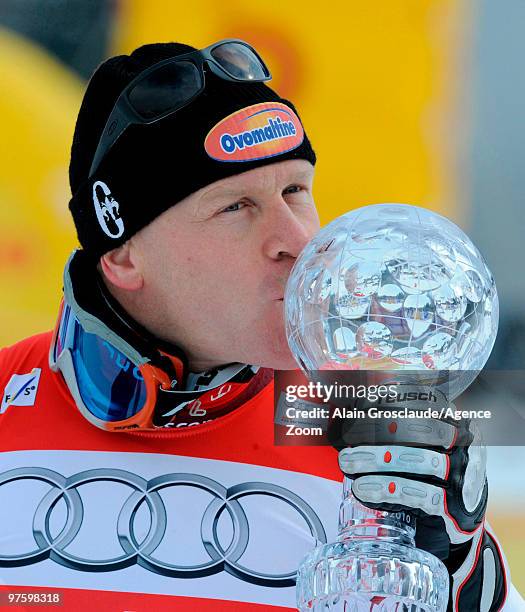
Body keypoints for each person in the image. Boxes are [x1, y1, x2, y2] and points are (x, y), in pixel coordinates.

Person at [0, 40, 521, 611]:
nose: (298, 241)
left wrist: (460, 573)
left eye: (295, 191)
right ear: (123, 255)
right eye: (236, 207)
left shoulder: (375, 437)